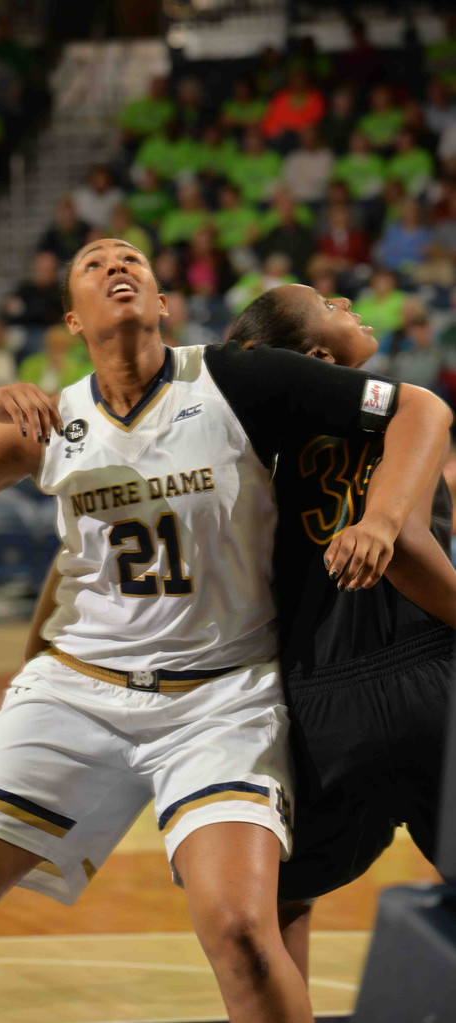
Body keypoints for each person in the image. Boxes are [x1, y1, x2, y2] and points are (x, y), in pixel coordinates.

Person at [0, 238, 450, 1023]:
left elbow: (416, 407)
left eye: (131, 259)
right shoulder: (54, 420)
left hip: (220, 699)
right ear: (71, 318)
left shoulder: (235, 377)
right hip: (79, 693)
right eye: (93, 264)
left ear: (163, 303)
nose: (115, 266)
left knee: (243, 931)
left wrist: (382, 518)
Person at [228, 283, 455, 980]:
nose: (347, 301)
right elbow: (407, 549)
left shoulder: (251, 451)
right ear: (320, 357)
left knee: (280, 898)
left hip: (316, 700)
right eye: (329, 305)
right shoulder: (397, 416)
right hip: (423, 671)